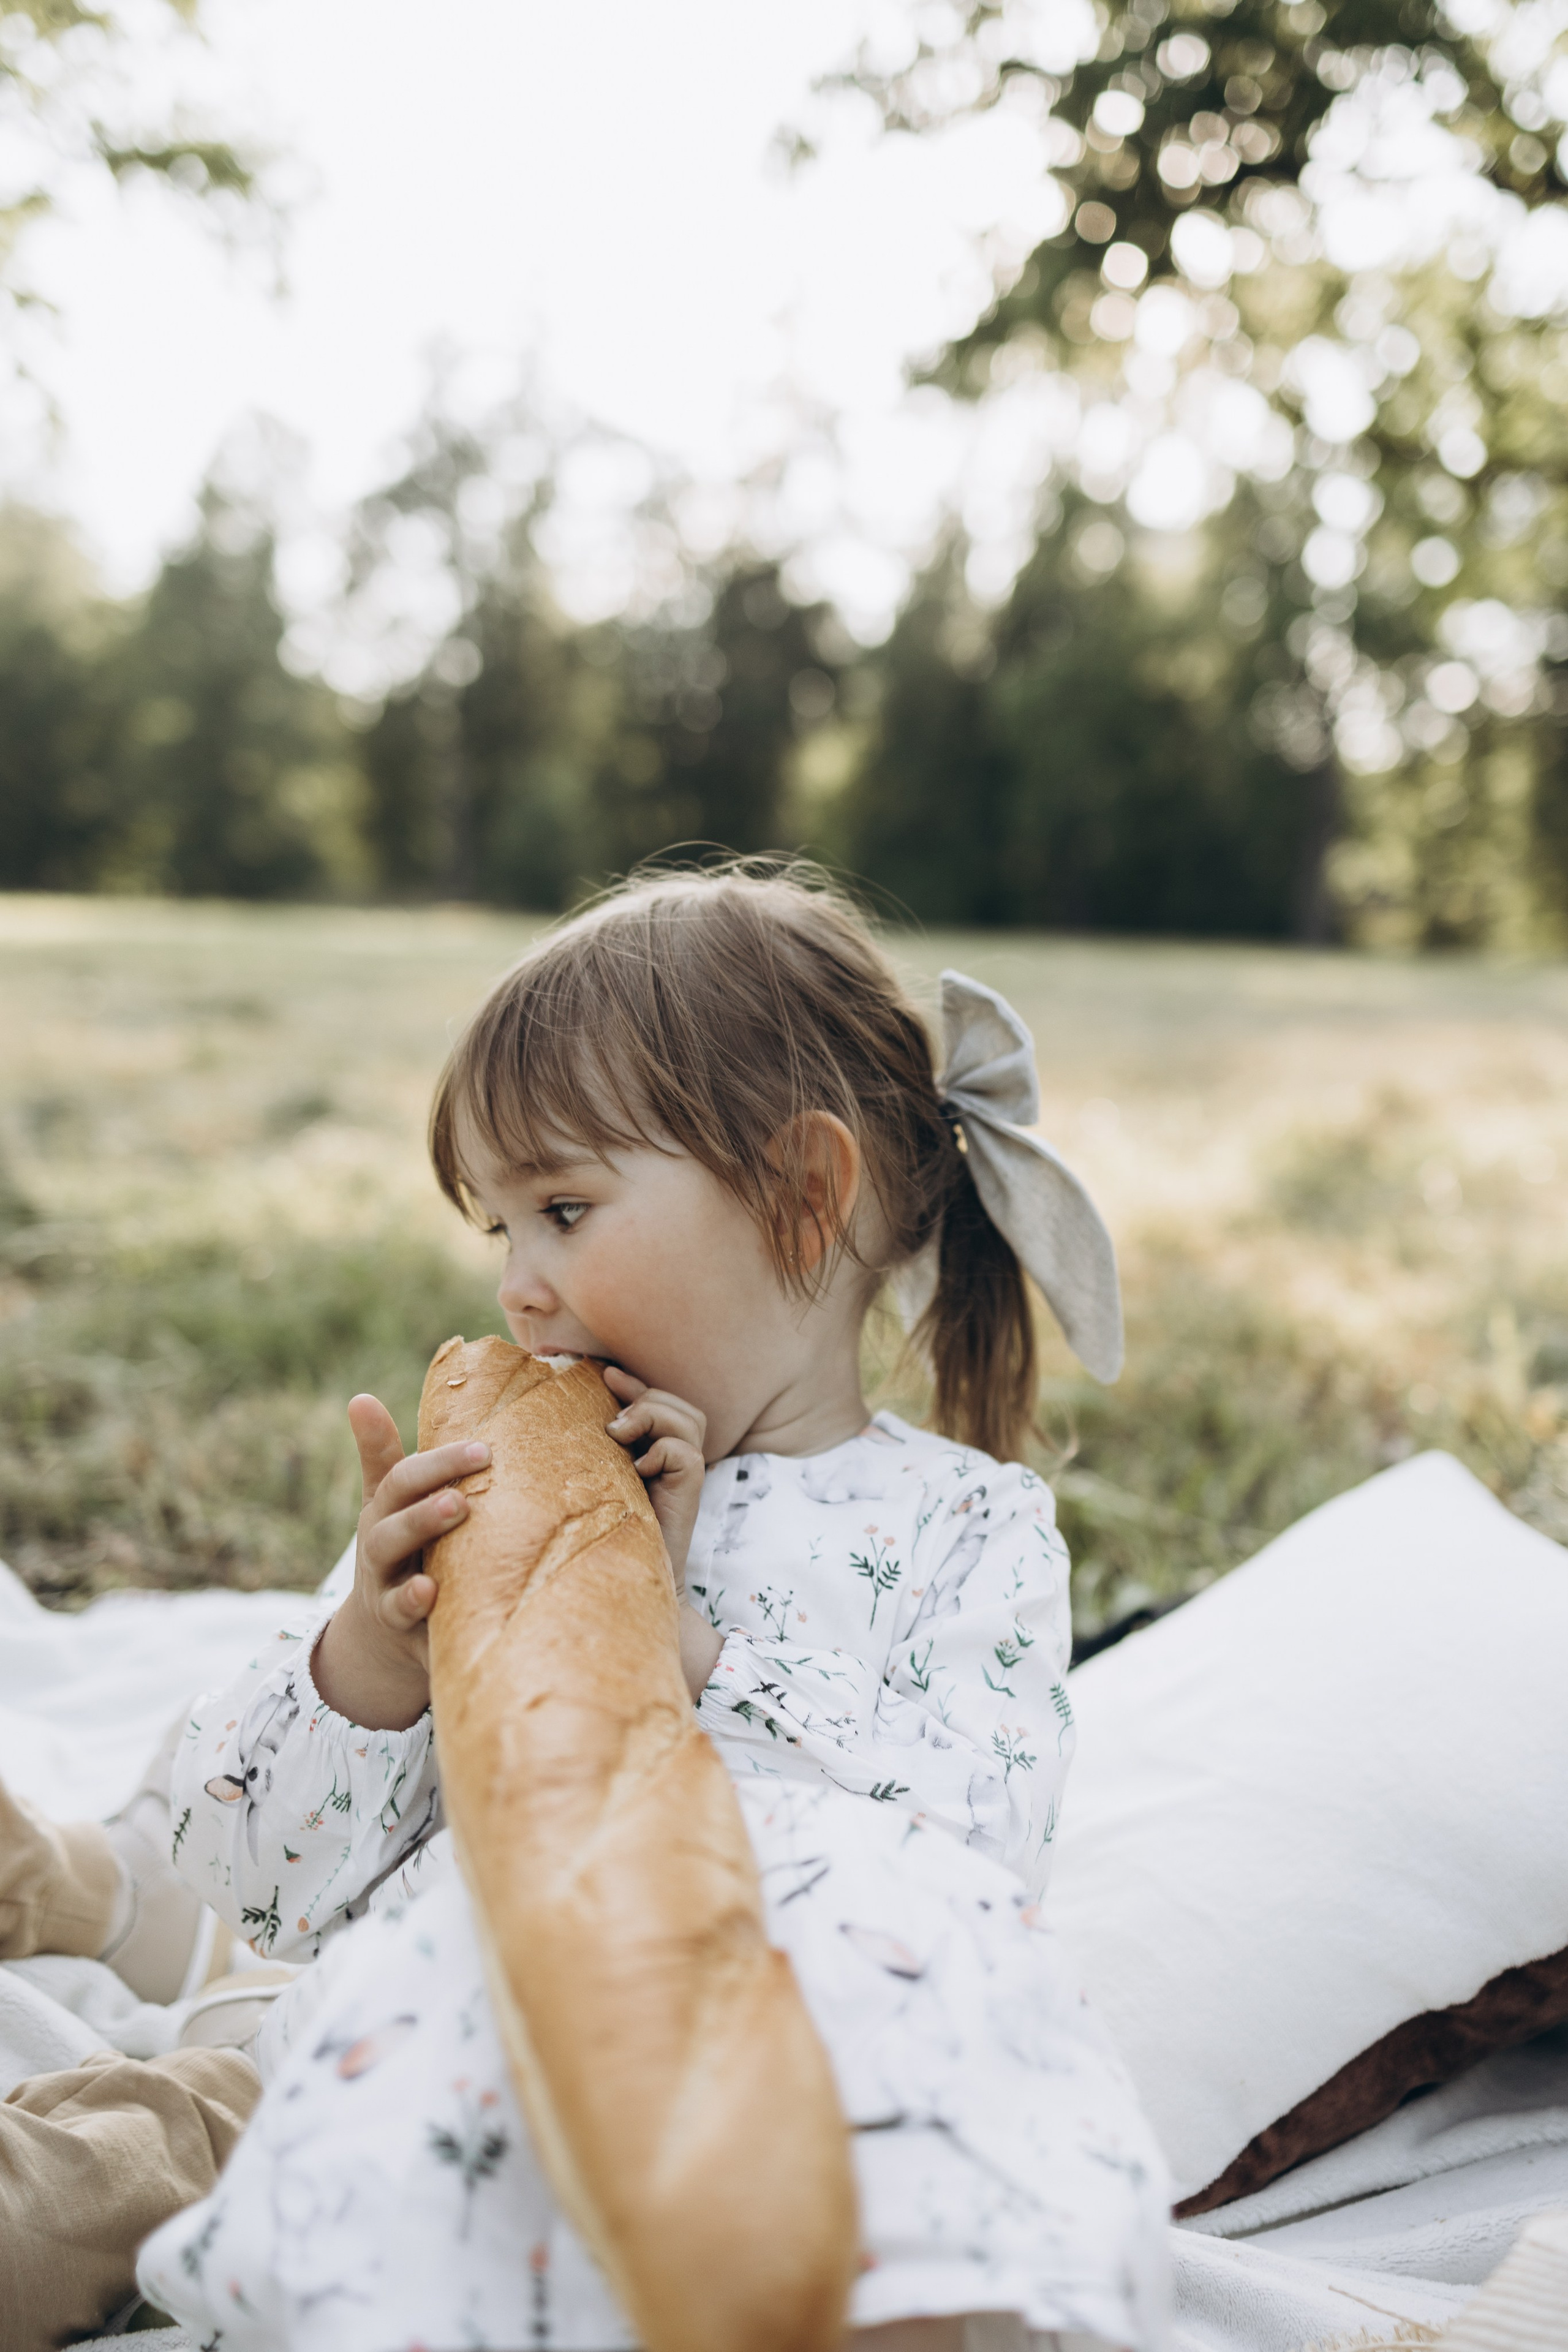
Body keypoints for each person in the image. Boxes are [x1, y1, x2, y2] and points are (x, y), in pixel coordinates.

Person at [136, 864, 1173, 2352]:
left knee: (949, 2076)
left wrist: (693, 1654)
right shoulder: (491, 1498)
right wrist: (371, 1646)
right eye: (498, 1230)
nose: (519, 1291)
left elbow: (985, 1836)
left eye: (562, 1208)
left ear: (804, 1198)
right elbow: (253, 1879)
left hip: (830, 2031)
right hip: (507, 2009)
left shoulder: (966, 1525)